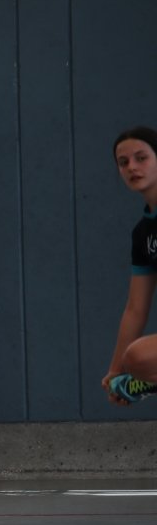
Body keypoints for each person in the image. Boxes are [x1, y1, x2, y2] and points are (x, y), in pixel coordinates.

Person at [102, 126, 157, 405]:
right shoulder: (143, 233)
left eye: (141, 158)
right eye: (123, 163)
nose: (132, 167)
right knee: (138, 358)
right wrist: (115, 371)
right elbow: (136, 309)